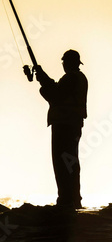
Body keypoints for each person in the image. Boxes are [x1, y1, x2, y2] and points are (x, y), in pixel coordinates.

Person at [34, 50, 88, 209]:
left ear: (68, 63)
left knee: (62, 164)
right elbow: (57, 89)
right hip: (72, 124)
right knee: (70, 162)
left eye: (64, 62)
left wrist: (42, 79)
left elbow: (56, 95)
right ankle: (72, 200)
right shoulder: (78, 78)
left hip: (65, 125)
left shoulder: (71, 78)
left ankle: (66, 201)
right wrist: (42, 76)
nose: (63, 65)